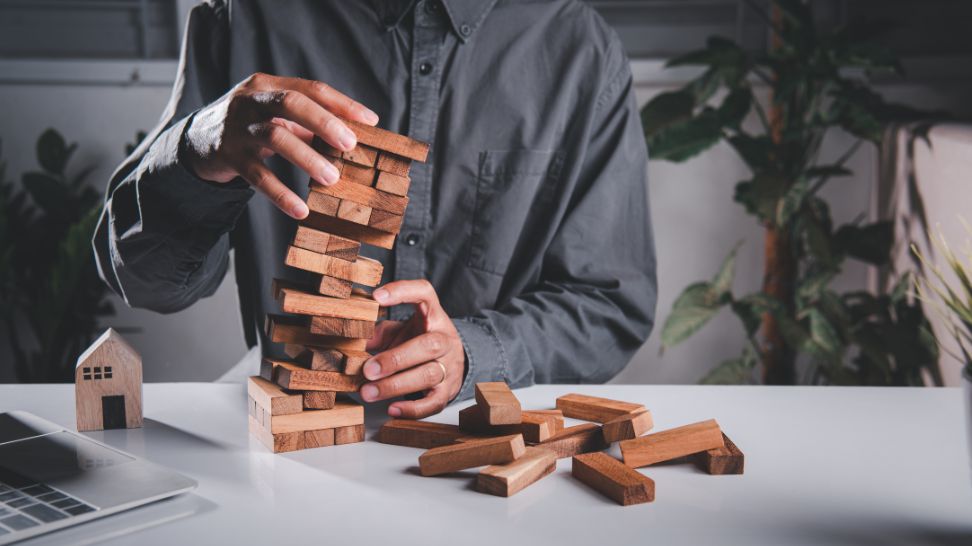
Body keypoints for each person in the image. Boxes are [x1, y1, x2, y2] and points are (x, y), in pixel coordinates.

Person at [94, 0, 656, 419]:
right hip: (288, 429)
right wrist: (196, 149)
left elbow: (609, 305)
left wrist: (474, 352)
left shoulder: (581, 49)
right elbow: (145, 283)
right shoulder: (241, 18)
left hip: (487, 440)